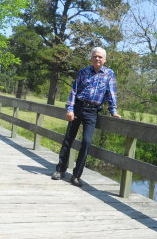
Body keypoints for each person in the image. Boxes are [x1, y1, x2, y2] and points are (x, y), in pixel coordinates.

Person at [51, 47, 121, 187]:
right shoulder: (83, 72)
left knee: (87, 142)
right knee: (68, 139)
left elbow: (111, 94)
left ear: (104, 60)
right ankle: (60, 170)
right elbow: (74, 91)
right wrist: (70, 109)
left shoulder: (109, 74)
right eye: (95, 56)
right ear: (91, 58)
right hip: (78, 108)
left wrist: (113, 111)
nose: (97, 59)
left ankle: (76, 175)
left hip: (92, 111)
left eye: (100, 57)